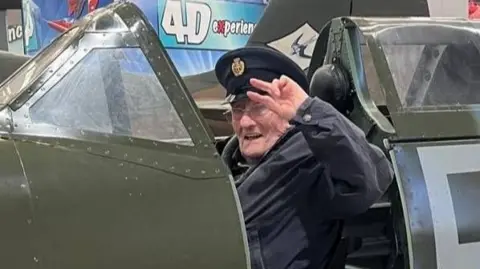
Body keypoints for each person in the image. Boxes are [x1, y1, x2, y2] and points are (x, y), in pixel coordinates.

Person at [214, 46, 394, 269]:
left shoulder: (312, 162)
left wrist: (308, 111)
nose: (245, 122)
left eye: (259, 108)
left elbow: (371, 178)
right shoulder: (222, 163)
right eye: (238, 109)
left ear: (286, 111)